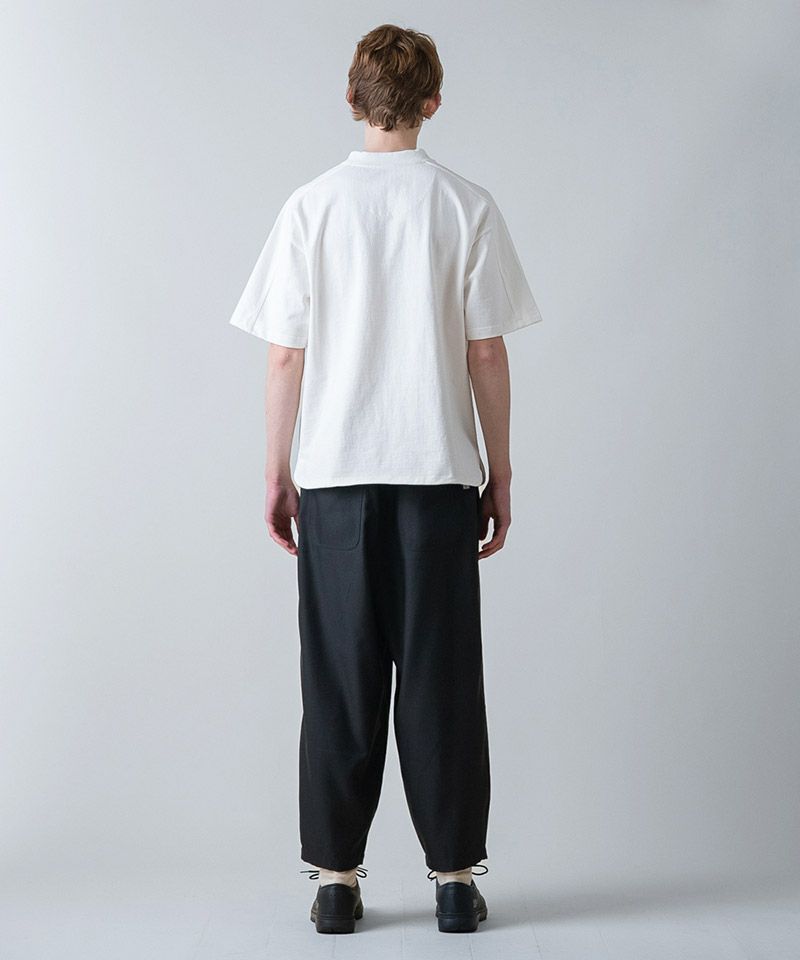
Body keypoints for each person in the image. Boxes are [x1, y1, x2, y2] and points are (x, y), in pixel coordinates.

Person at [229, 23, 543, 935]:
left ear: (351, 99)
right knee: (442, 680)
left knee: (339, 679)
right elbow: (486, 352)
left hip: (334, 480)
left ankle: (335, 881)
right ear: (433, 102)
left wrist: (277, 472)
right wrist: (501, 471)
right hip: (437, 477)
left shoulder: (311, 207)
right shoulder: (465, 205)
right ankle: (455, 881)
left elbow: (285, 357)